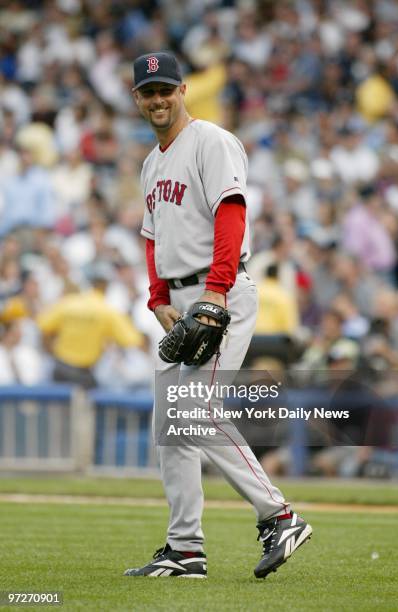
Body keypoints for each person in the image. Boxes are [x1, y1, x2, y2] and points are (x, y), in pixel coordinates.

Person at [124, 52, 312, 580]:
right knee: (172, 425)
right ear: (136, 98)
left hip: (220, 290)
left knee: (193, 409)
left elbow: (231, 214)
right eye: (147, 91)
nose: (157, 99)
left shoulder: (211, 140)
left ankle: (280, 514)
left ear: (183, 90)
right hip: (182, 298)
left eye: (165, 89)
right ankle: (185, 550)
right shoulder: (151, 163)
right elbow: (152, 236)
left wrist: (216, 293)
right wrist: (157, 297)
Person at [37, 263, 144, 389]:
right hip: (84, 374)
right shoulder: (107, 311)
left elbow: (43, 324)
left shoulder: (69, 303)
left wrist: (51, 349)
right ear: (106, 286)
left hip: (60, 368)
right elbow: (133, 340)